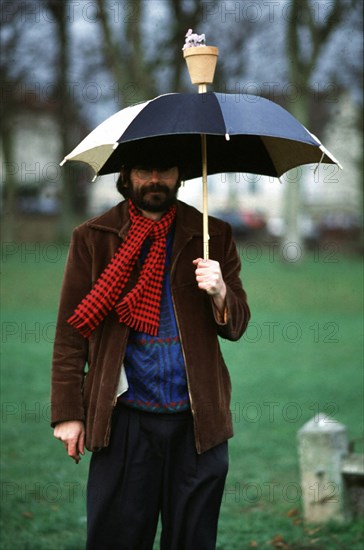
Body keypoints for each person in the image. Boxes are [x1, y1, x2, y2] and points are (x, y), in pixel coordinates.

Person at [51, 150, 250, 550]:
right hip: (124, 419)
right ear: (126, 175)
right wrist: (68, 413)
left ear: (180, 174)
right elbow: (71, 333)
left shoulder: (212, 235)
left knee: (192, 541)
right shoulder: (93, 237)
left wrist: (220, 291)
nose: (155, 179)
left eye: (166, 169)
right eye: (145, 170)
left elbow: (236, 325)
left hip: (198, 423)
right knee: (117, 539)